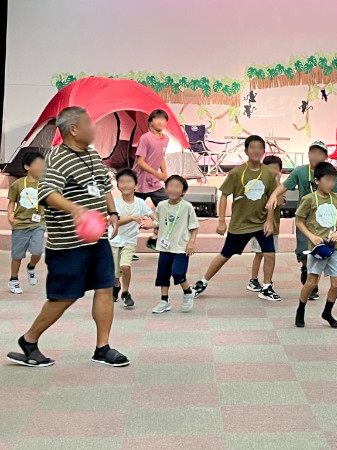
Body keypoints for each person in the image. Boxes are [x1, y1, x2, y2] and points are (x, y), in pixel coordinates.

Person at [6, 106, 128, 367]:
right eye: (89, 123)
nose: (94, 127)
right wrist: (76, 210)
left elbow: (104, 187)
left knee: (106, 288)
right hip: (68, 243)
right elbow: (47, 193)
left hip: (97, 240)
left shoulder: (92, 155)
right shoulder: (57, 158)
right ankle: (29, 340)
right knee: (65, 296)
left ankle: (102, 348)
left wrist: (113, 212)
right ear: (74, 129)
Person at [194, 135, 280, 301]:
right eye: (252, 147)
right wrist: (221, 221)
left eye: (259, 148)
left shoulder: (268, 173)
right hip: (240, 224)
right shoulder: (236, 172)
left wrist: (270, 220)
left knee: (270, 253)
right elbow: (224, 195)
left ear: (264, 151)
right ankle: (203, 282)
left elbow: (272, 198)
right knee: (225, 254)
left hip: (261, 222)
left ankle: (267, 287)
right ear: (246, 151)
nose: (256, 151)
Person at [266, 141, 337, 300]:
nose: (316, 156)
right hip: (305, 220)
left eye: (320, 153)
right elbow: (285, 186)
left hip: (324, 220)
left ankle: (313, 283)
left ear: (326, 156)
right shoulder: (300, 171)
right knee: (304, 251)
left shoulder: (330, 173)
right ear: (308, 154)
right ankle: (306, 270)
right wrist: (274, 195)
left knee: (322, 250)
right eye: (313, 153)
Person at [294, 162, 337, 328]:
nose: (331, 184)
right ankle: (301, 309)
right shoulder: (309, 199)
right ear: (317, 180)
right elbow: (299, 221)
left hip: (335, 247)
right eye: (327, 180)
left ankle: (327, 312)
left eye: (333, 180)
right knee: (311, 283)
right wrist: (312, 236)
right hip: (317, 249)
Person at [151, 175, 199, 313]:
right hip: (165, 246)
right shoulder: (161, 205)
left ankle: (188, 291)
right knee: (163, 274)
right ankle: (164, 301)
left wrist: (191, 242)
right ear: (165, 188)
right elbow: (158, 222)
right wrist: (150, 225)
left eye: (177, 187)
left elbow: (194, 226)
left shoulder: (186, 206)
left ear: (183, 191)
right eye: (170, 186)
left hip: (181, 247)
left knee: (178, 273)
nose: (173, 189)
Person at [109, 169, 155, 307]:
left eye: (129, 182)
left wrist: (154, 224)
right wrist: (132, 218)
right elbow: (114, 222)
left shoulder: (140, 202)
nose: (125, 185)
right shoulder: (114, 202)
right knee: (115, 272)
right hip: (113, 240)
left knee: (125, 266)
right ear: (117, 186)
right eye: (122, 182)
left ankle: (125, 292)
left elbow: (153, 215)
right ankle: (116, 285)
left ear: (136, 185)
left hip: (129, 241)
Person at [7, 151, 46, 294]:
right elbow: (12, 201)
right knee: (17, 255)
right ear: (27, 167)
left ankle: (31, 266)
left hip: (38, 223)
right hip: (20, 224)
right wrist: (10, 216)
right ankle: (13, 280)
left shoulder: (44, 184)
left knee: (37, 251)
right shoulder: (17, 184)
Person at [247, 155, 285, 292]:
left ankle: (267, 281)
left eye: (275, 168)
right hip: (259, 226)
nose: (272, 171)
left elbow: (279, 202)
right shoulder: (258, 185)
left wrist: (277, 182)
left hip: (273, 227)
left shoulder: (280, 187)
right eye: (269, 168)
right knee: (259, 253)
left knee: (270, 255)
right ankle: (253, 279)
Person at [133, 109, 169, 207]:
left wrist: (164, 173)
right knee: (133, 209)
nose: (160, 121)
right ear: (150, 122)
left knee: (167, 206)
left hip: (154, 182)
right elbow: (140, 162)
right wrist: (157, 174)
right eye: (157, 119)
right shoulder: (145, 138)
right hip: (140, 181)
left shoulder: (166, 139)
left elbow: (160, 156)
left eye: (163, 119)